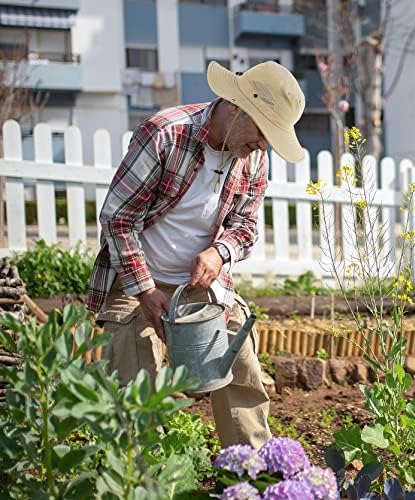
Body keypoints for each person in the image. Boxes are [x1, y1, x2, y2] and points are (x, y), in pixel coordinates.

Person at [86, 60, 306, 449]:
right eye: (261, 132)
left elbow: (246, 228)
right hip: (137, 281)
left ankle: (250, 476)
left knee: (239, 365)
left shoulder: (253, 156)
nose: (262, 146)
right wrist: (145, 290)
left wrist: (220, 253)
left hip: (200, 285)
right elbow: (118, 219)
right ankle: (141, 481)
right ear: (237, 108)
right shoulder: (165, 135)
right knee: (133, 378)